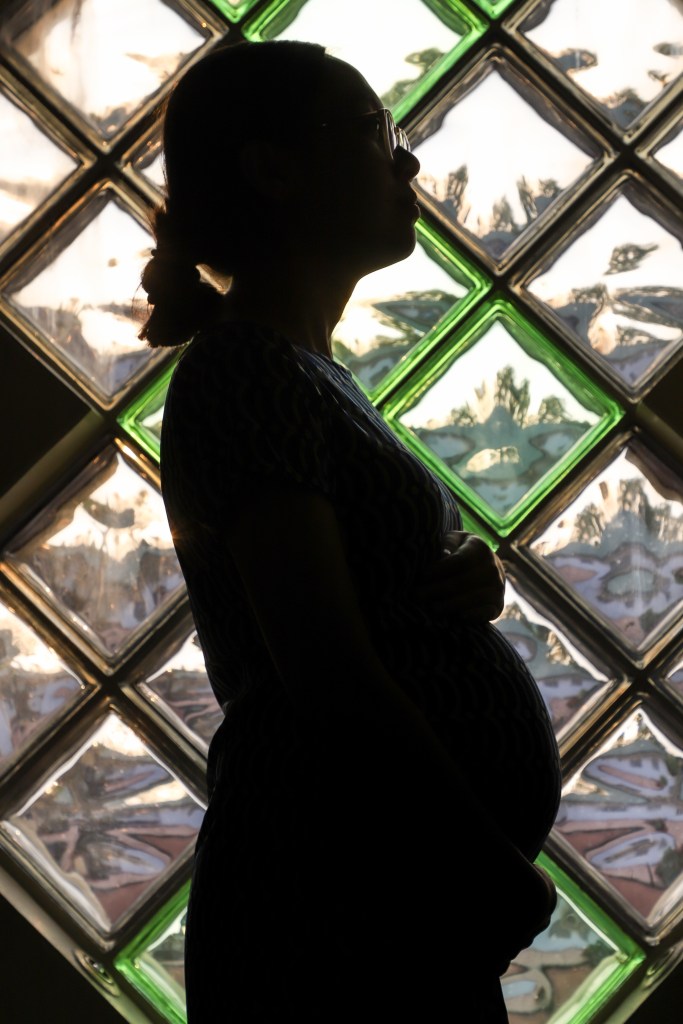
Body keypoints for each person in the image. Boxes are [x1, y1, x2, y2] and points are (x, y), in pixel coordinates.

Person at [139, 39, 562, 1022]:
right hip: (330, 906)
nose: (405, 159)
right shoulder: (245, 370)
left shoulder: (298, 372)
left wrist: (454, 583)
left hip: (368, 894)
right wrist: (480, 861)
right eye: (375, 131)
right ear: (273, 168)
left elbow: (347, 606)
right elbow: (323, 669)